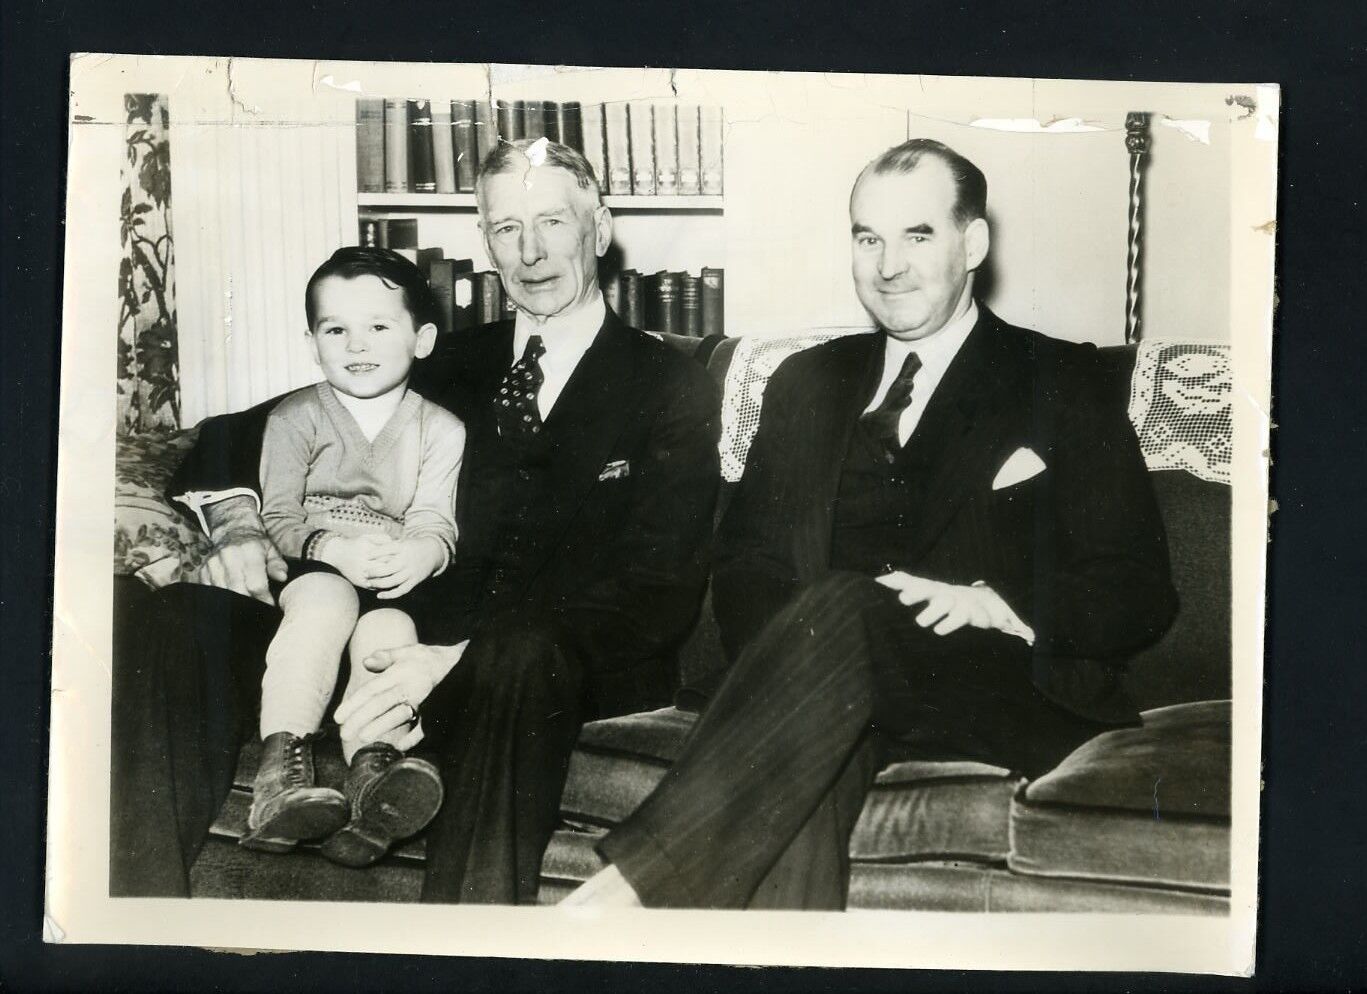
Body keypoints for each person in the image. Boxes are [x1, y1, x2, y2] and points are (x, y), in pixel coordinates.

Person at [565, 138, 1178, 910]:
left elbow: (1138, 587)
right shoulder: (805, 381)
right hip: (832, 680)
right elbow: (747, 565)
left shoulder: (1059, 381)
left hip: (995, 683)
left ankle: (624, 893)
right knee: (814, 745)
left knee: (847, 606)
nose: (888, 266)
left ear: (972, 242)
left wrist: (998, 602)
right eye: (867, 237)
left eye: (917, 235)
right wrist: (800, 666)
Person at [110, 138, 720, 902]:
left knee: (515, 659)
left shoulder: (669, 383)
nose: (529, 253)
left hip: (538, 659)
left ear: (598, 229)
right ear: (486, 242)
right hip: (379, 635)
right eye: (506, 229)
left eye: (553, 223)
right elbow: (233, 434)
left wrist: (456, 659)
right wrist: (236, 523)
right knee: (177, 618)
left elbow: (656, 592)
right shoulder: (440, 358)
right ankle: (128, 931)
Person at [238, 247, 461, 863]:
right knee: (325, 599)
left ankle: (375, 777)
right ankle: (280, 777)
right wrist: (329, 548)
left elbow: (435, 518)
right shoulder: (296, 417)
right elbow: (278, 516)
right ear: (312, 342)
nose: (356, 346)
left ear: (423, 339)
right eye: (336, 329)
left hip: (391, 572)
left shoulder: (440, 429)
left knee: (391, 630)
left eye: (379, 327)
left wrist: (424, 553)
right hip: (316, 564)